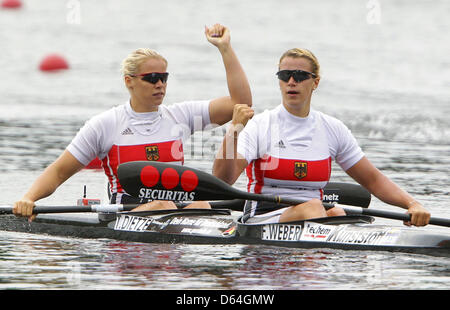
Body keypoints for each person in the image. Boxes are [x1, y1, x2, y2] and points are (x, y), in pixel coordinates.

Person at [13, 23, 252, 221]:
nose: (160, 84)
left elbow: (241, 103)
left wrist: (225, 49)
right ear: (129, 81)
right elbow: (58, 172)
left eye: (164, 77)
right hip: (125, 215)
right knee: (161, 205)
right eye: (152, 78)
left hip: (172, 211)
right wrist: (29, 198)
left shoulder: (180, 116)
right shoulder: (105, 124)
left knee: (199, 205)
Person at [212, 47, 431, 226]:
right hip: (262, 218)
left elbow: (373, 180)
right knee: (317, 208)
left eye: (299, 76)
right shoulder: (261, 125)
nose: (291, 81)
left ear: (315, 82)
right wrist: (234, 131)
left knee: (338, 213)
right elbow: (223, 180)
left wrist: (412, 204)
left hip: (311, 214)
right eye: (284, 75)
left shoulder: (332, 128)